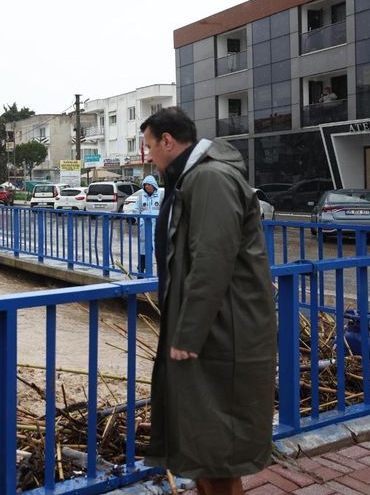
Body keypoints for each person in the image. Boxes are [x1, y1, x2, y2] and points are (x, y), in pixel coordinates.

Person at [139, 107, 275, 495]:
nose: (147, 155)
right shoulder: (190, 178)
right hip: (210, 328)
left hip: (220, 332)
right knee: (203, 443)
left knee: (217, 448)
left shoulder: (209, 179)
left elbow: (212, 258)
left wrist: (187, 333)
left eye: (149, 146)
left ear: (167, 141)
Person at [136, 174, 163, 274]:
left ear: (154, 185)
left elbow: (166, 211)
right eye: (145, 185)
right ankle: (141, 274)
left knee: (160, 253)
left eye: (149, 184)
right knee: (143, 252)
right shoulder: (141, 197)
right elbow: (136, 211)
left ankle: (161, 275)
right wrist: (134, 219)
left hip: (157, 229)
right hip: (144, 230)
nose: (147, 186)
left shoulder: (161, 196)